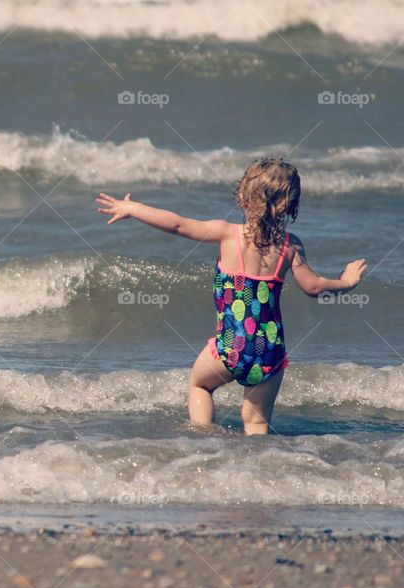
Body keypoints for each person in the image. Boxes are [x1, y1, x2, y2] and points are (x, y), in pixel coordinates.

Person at [95, 158, 367, 435]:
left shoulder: (228, 234)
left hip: (231, 346)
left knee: (200, 385)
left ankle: (203, 438)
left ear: (245, 197)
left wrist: (133, 208)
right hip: (269, 351)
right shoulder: (291, 246)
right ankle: (256, 467)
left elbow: (177, 225)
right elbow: (315, 287)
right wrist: (346, 282)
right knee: (257, 422)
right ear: (289, 205)